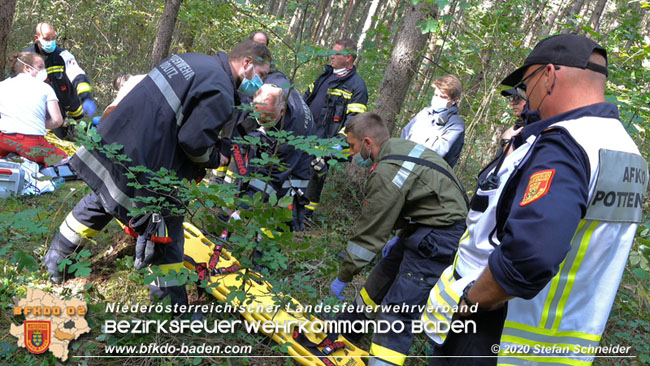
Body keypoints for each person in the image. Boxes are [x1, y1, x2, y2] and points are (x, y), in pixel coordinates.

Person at [422, 34, 648, 366]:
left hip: (495, 334)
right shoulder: (627, 151)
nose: (527, 96)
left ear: (549, 75)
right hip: (562, 342)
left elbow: (528, 256)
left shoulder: (566, 145)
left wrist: (472, 299)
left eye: (527, 84)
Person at [44, 40, 272, 307]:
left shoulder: (191, 59)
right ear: (246, 63)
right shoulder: (221, 89)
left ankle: (56, 262)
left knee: (101, 200)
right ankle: (171, 309)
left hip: (119, 142)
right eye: (262, 74)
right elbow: (194, 142)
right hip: (149, 161)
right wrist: (215, 156)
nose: (260, 82)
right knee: (167, 234)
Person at [329, 112, 468, 366]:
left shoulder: (386, 172)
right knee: (379, 280)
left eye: (352, 146)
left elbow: (369, 234)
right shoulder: (402, 148)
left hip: (440, 236)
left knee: (397, 311)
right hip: (426, 226)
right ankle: (347, 330)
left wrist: (344, 275)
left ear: (368, 143)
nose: (351, 153)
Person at [301, 39, 368, 219]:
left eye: (336, 53)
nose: (331, 56)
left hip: (326, 141)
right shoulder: (325, 76)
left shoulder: (357, 86)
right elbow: (306, 98)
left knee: (316, 176)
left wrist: (333, 147)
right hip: (306, 135)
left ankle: (305, 216)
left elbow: (354, 122)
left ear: (348, 57)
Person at [23, 23, 97, 138]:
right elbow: (17, 85)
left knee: (82, 138)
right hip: (46, 112)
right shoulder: (27, 58)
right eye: (47, 39)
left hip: (71, 107)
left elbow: (77, 75)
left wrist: (86, 97)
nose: (51, 42)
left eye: (53, 38)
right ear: (37, 38)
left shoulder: (63, 55)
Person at [0, 52, 66, 165]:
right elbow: (57, 120)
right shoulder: (45, 88)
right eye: (40, 67)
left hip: (4, 141)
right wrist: (39, 123)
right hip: (32, 143)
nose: (44, 71)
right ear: (27, 68)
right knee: (63, 157)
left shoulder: (2, 85)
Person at [400, 75, 465, 167]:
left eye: (442, 97)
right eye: (435, 95)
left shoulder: (456, 126)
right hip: (401, 161)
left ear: (455, 100)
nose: (437, 98)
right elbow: (404, 135)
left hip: (426, 174)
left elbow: (436, 154)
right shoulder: (425, 113)